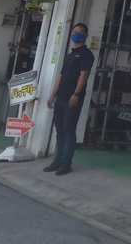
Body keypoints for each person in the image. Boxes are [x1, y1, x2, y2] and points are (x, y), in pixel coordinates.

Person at [43, 22, 95, 176]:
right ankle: (58, 160)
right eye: (74, 31)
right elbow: (60, 75)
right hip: (60, 97)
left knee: (69, 130)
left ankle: (66, 163)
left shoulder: (86, 54)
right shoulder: (70, 55)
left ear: (85, 35)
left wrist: (76, 94)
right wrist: (53, 94)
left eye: (80, 32)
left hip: (72, 98)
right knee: (60, 129)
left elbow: (84, 75)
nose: (76, 34)